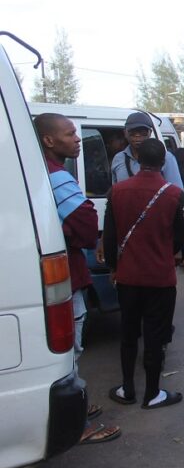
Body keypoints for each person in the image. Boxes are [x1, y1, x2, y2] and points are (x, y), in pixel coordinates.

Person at [35, 113, 121, 445]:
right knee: (69, 350)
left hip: (65, 276)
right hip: (65, 280)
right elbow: (86, 224)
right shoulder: (56, 177)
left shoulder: (46, 173)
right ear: (49, 140)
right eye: (70, 134)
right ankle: (75, 424)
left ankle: (74, 407)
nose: (77, 138)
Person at [103, 138, 184, 409]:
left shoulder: (116, 191)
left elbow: (110, 237)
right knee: (156, 336)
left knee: (128, 334)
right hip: (160, 278)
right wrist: (165, 251)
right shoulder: (174, 194)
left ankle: (127, 388)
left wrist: (114, 267)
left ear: (137, 160)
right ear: (164, 162)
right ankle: (152, 393)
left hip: (128, 277)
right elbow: (182, 236)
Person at [111, 112, 184, 189]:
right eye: (133, 132)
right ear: (125, 133)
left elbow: (177, 193)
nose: (137, 136)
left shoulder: (166, 157)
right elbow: (115, 192)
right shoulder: (119, 159)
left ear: (150, 133)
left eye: (143, 132)